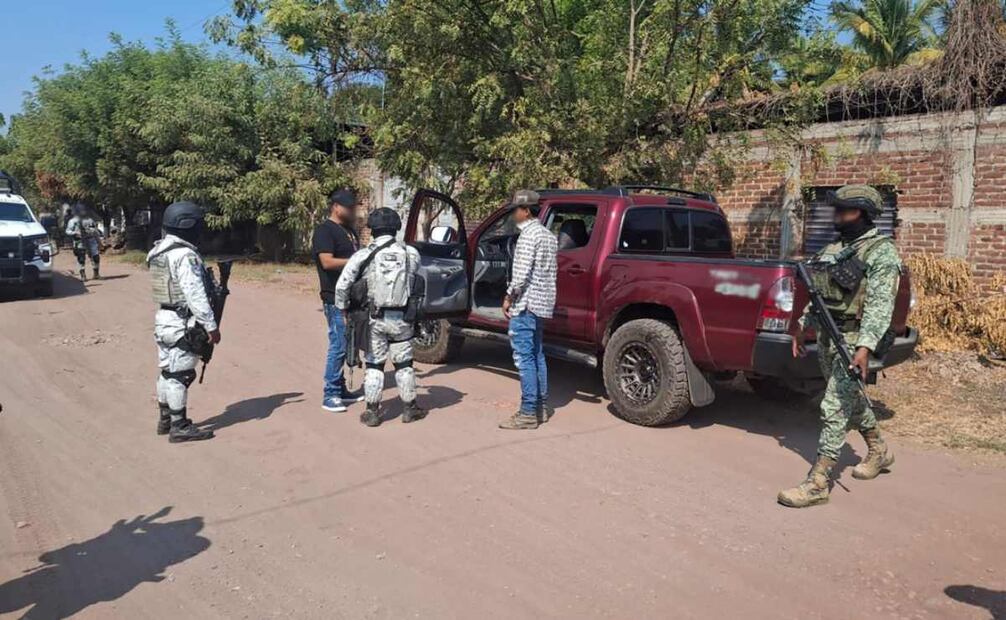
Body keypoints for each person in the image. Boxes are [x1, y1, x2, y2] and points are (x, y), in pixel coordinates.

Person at [778, 184, 901, 508]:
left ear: (858, 211)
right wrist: (802, 326)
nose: (834, 215)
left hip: (854, 340)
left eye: (841, 209)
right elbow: (820, 296)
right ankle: (879, 451)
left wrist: (865, 347)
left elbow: (880, 305)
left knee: (833, 405)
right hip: (829, 337)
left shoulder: (881, 252)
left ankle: (818, 482)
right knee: (851, 402)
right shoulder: (833, 249)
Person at [334, 207, 427, 427]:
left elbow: (342, 286)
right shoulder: (411, 253)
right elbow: (413, 278)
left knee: (374, 364)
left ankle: (372, 412)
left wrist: (343, 309)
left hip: (373, 319)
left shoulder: (363, 255)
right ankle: (409, 409)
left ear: (372, 230)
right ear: (396, 228)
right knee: (404, 363)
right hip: (402, 318)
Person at [146, 201, 218, 443]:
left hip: (163, 319)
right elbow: (194, 292)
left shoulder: (157, 251)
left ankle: (165, 419)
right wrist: (211, 326)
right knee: (181, 374)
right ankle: (179, 426)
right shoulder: (185, 255)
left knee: (167, 371)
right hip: (182, 322)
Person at [499, 189, 558, 430]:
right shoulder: (548, 236)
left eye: (515, 210)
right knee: (537, 355)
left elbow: (521, 275)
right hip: (542, 304)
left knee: (524, 359)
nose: (513, 215)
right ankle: (541, 408)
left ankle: (527, 413)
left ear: (526, 211)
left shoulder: (527, 237)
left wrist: (508, 297)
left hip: (525, 305)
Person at [312, 190, 366, 412]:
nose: (353, 211)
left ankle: (341, 389)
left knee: (350, 343)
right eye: (349, 207)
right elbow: (326, 262)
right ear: (336, 206)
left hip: (352, 296)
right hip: (334, 297)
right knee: (339, 344)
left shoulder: (350, 231)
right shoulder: (325, 231)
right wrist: (356, 261)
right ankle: (330, 393)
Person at [65, 203, 103, 281]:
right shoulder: (73, 221)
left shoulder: (90, 220)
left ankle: (96, 274)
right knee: (81, 259)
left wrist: (99, 243)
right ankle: (83, 276)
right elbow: (68, 231)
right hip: (80, 242)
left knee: (96, 257)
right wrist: (75, 233)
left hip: (91, 241)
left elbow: (95, 231)